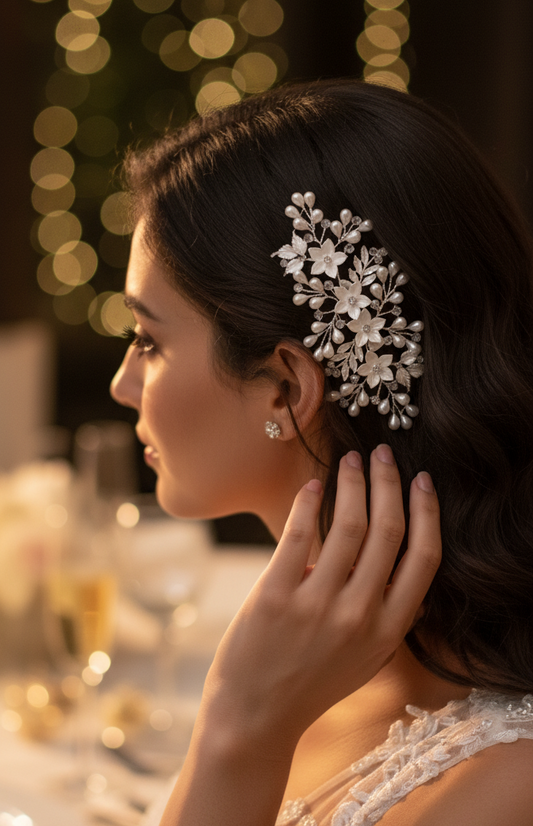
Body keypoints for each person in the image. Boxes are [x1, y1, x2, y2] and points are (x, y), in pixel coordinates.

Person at [110, 79, 533, 825]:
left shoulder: (500, 785)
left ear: (285, 387)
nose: (122, 384)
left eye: (149, 340)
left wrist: (237, 731)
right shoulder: (306, 661)